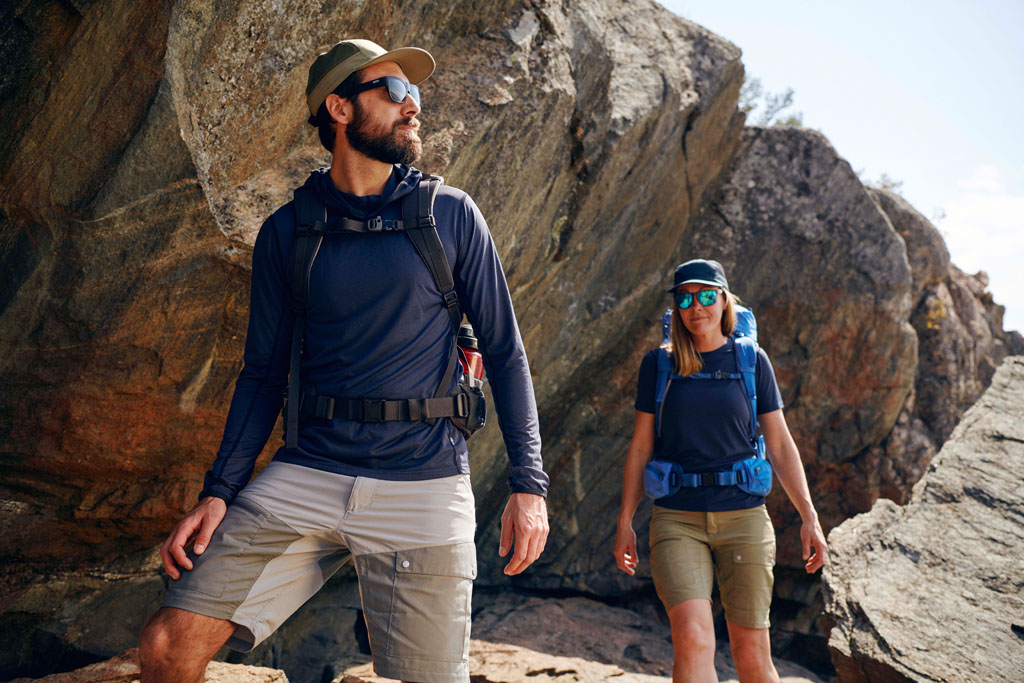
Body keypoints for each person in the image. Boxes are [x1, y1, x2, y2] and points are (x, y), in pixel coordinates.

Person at [139, 39, 549, 683]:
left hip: (423, 482)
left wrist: (529, 485)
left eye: (415, 92)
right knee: (167, 647)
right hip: (308, 473)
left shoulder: (449, 215)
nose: (412, 106)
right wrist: (219, 491)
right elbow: (262, 374)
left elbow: (505, 351)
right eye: (394, 90)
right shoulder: (287, 231)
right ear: (338, 107)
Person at [613, 259, 826, 683]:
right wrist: (625, 521)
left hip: (744, 519)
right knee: (693, 638)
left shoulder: (752, 361)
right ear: (676, 308)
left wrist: (809, 517)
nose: (696, 307)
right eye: (685, 298)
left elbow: (780, 444)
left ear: (724, 301)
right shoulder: (658, 365)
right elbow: (640, 447)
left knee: (751, 654)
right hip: (677, 520)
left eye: (706, 295)